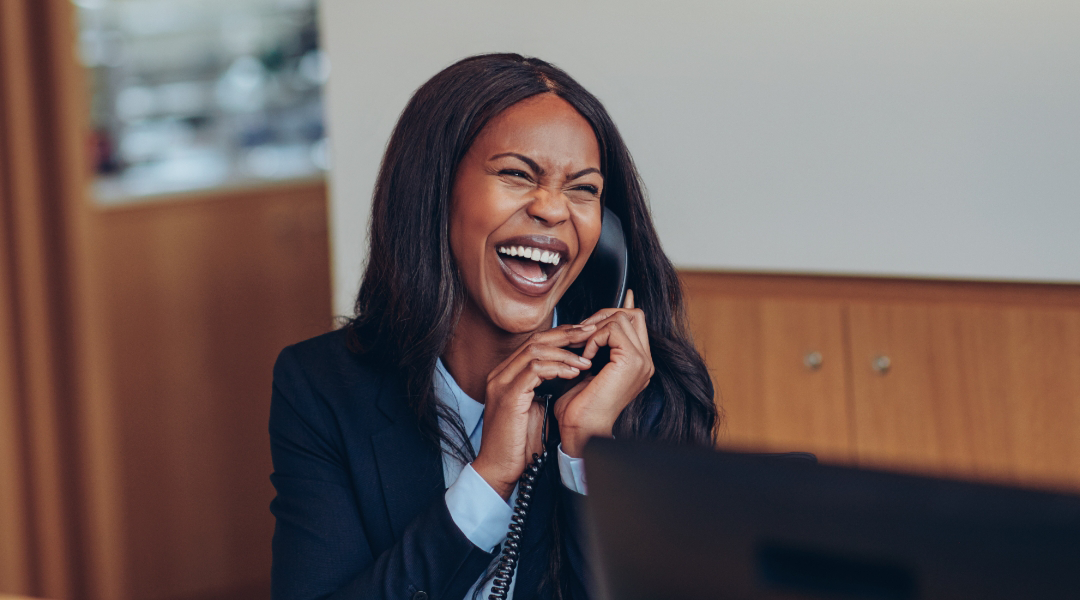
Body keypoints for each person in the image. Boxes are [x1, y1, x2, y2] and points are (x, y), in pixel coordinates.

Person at [269, 53, 719, 600]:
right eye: (516, 174)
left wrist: (585, 452)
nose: (553, 209)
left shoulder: (647, 390)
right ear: (434, 194)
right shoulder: (322, 384)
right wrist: (487, 482)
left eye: (583, 189)